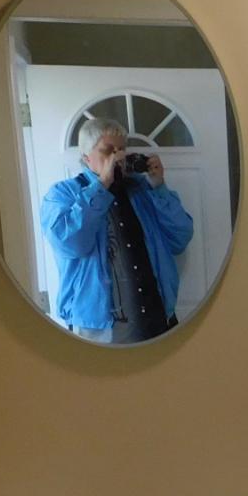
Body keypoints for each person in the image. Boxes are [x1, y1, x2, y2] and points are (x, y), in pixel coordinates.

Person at [40, 117, 194, 344]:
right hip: (98, 329)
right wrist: (101, 185)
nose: (118, 157)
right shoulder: (63, 194)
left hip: (159, 316)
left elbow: (180, 237)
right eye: (108, 151)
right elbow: (71, 244)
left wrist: (158, 186)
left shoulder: (142, 189)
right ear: (86, 157)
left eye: (122, 149)